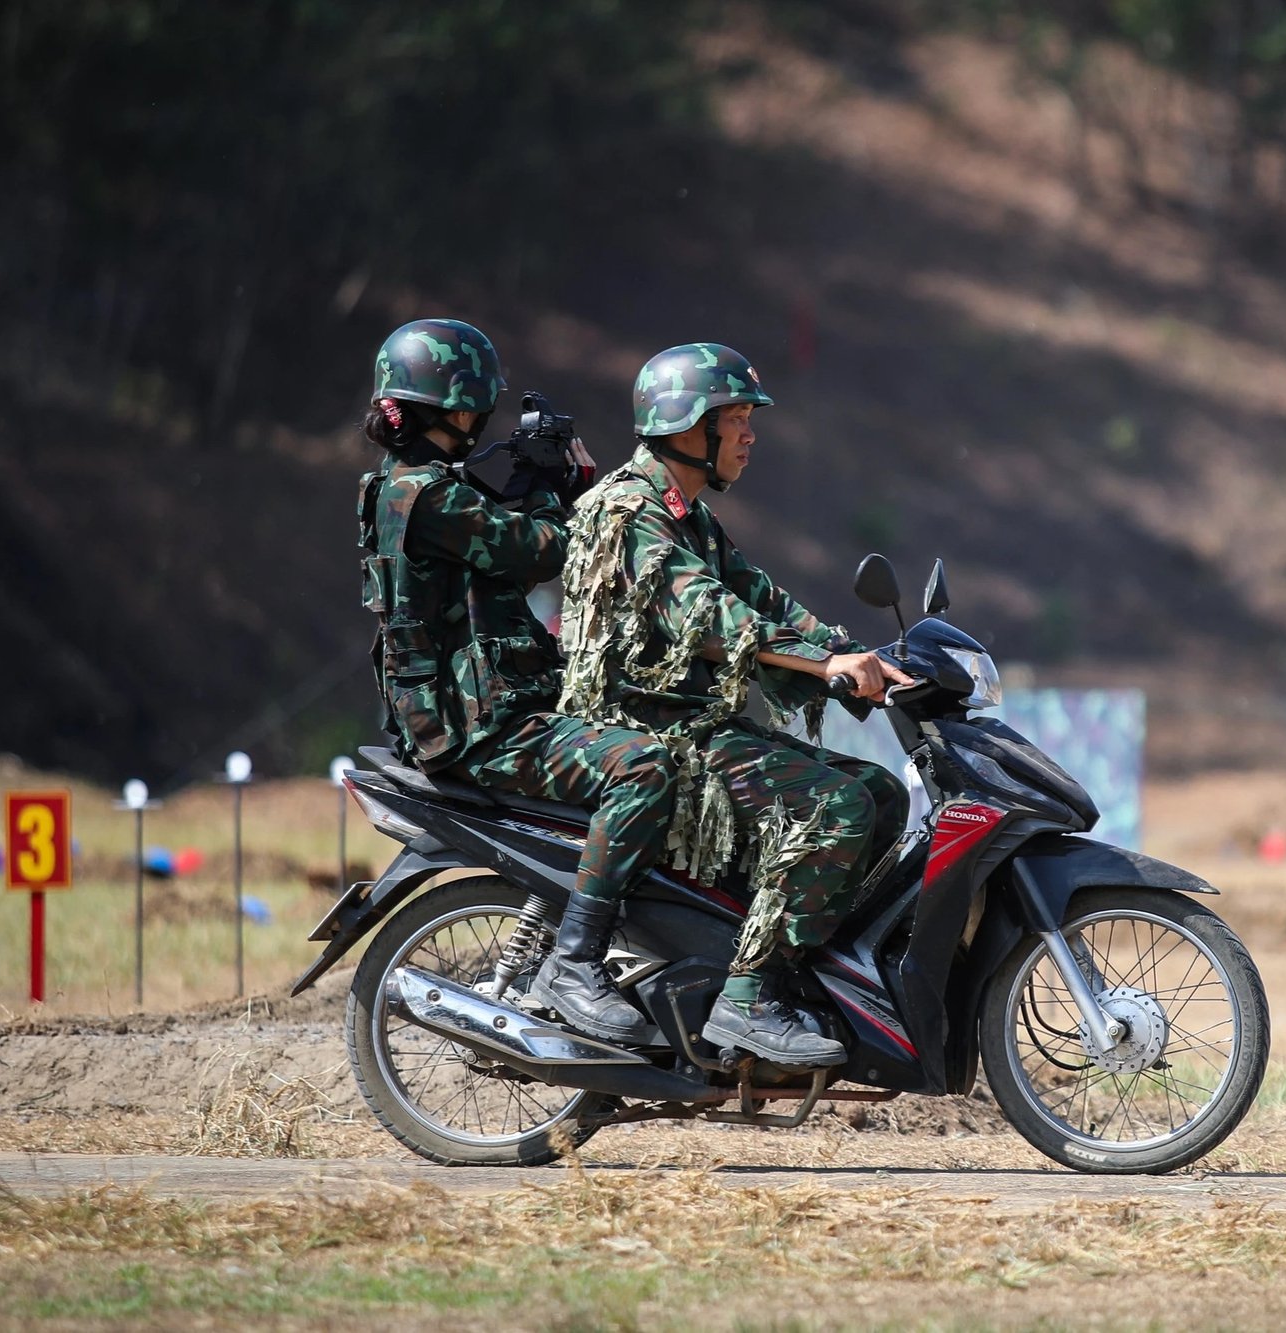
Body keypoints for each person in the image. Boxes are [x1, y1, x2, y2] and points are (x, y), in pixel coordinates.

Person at [558, 342, 911, 1066]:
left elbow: (763, 597)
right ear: (690, 428)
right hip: (646, 732)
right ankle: (748, 998)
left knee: (877, 792)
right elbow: (713, 616)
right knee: (836, 807)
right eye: (738, 418)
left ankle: (790, 969)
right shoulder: (629, 510)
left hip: (698, 726)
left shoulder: (687, 515)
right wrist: (822, 662)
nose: (750, 434)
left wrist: (865, 656)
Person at [358, 317, 678, 1043]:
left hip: (467, 713)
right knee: (645, 768)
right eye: (474, 407)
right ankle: (575, 962)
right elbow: (542, 552)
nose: (480, 422)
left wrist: (542, 484)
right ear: (450, 408)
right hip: (475, 729)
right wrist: (552, 486)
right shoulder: (428, 497)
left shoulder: (412, 487)